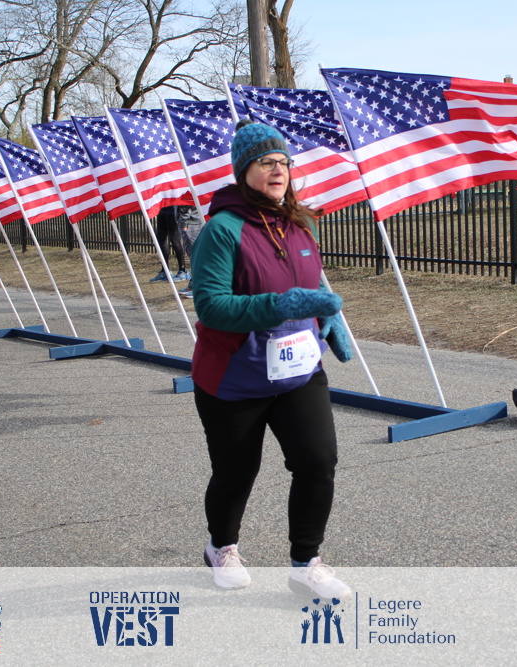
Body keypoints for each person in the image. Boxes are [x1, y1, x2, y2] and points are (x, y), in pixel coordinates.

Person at [189, 119, 354, 599]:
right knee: (236, 472)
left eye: (283, 161)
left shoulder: (300, 223)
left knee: (318, 460)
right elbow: (212, 306)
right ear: (243, 171)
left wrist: (328, 317)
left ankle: (306, 564)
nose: (278, 169)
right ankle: (221, 547)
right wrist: (281, 306)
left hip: (299, 371)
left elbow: (311, 284)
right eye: (266, 162)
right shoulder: (222, 230)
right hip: (234, 377)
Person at [150, 205, 189, 282]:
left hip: (173, 212)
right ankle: (165, 270)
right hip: (162, 209)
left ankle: (182, 270)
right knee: (160, 239)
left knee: (175, 239)